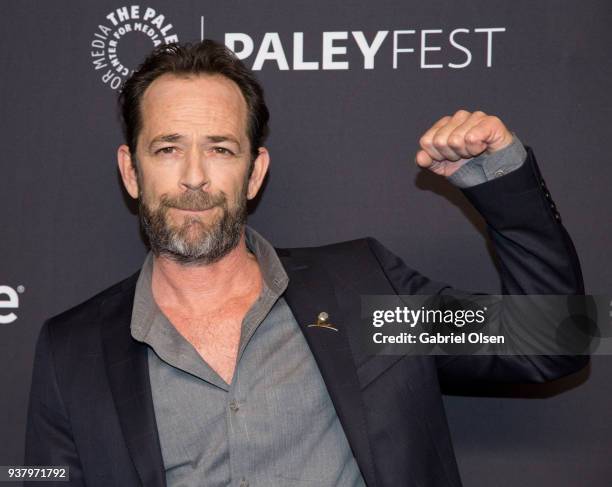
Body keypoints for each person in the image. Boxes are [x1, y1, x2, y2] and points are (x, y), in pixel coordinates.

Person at [24, 40, 587, 487]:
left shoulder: (363, 294)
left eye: (220, 148)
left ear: (254, 171)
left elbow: (553, 337)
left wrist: (501, 179)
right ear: (131, 169)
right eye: (168, 148)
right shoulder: (73, 349)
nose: (194, 177)